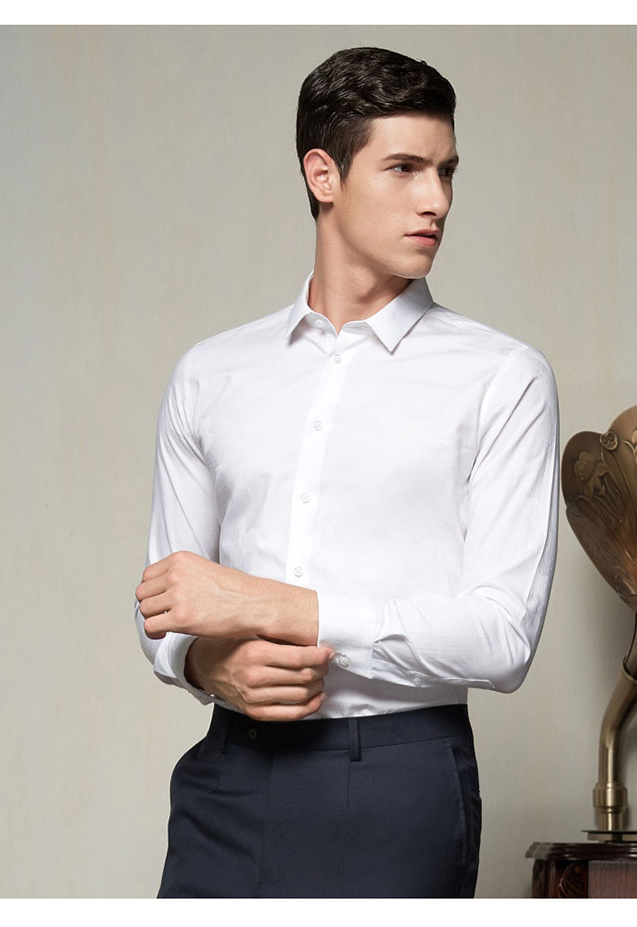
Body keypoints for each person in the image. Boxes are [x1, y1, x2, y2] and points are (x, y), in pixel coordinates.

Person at [135, 46, 559, 898]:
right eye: (404, 168)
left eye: (445, 171)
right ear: (322, 174)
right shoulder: (210, 373)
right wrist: (207, 665)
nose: (436, 200)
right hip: (229, 774)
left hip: (397, 779)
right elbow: (169, 600)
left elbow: (503, 636)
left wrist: (278, 607)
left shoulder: (503, 376)